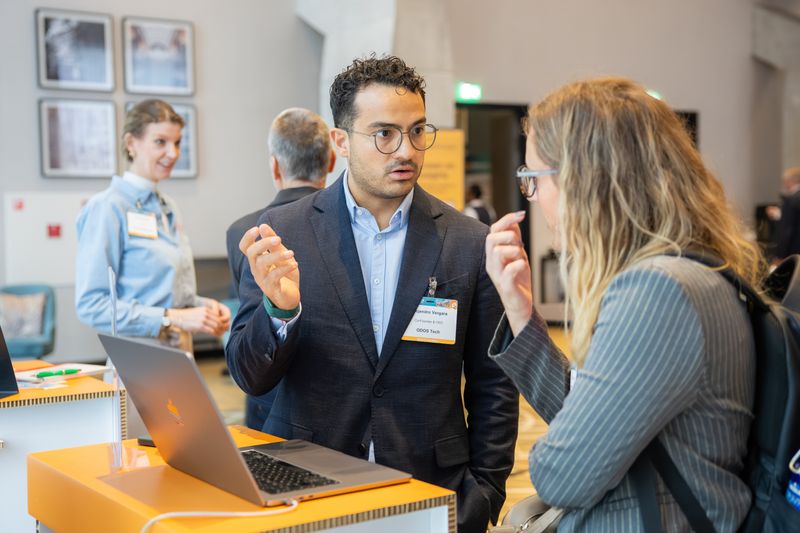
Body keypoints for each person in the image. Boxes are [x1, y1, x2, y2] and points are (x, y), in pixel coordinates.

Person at [226, 55, 518, 533]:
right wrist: (281, 311)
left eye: (418, 131)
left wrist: (485, 493)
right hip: (309, 483)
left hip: (430, 491)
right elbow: (249, 376)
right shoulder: (283, 232)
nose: (407, 150)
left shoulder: (467, 241)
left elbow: (494, 385)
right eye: (384, 134)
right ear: (341, 141)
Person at [485, 78, 764, 531]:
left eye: (533, 179)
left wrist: (552, 452)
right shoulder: (684, 272)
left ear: (583, 181)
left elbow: (563, 474)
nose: (531, 197)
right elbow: (586, 419)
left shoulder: (658, 293)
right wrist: (520, 310)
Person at [76, 99, 231, 352]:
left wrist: (202, 308)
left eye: (177, 142)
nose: (173, 153)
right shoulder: (107, 208)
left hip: (179, 354)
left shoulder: (168, 206)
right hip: (138, 359)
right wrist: (173, 318)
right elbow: (91, 305)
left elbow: (165, 297)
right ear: (131, 143)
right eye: (161, 142)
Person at [225, 107, 335, 431]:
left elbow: (247, 323)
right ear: (331, 161)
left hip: (265, 398)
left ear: (274, 165)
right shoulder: (346, 228)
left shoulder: (244, 231)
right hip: (328, 403)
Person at [770, 167, 800, 262]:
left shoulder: (791, 200)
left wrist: (779, 254)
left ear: (790, 181)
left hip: (792, 249)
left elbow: (787, 229)